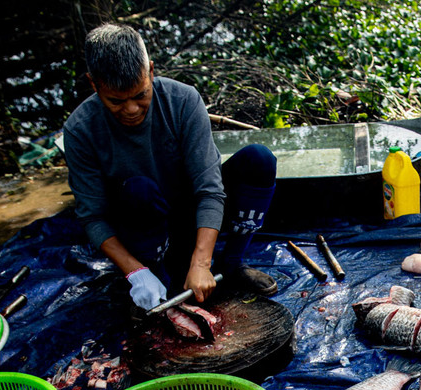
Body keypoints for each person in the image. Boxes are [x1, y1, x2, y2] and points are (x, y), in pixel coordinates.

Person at [63, 23, 278, 310]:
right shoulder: (80, 130)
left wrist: (202, 263)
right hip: (142, 226)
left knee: (259, 160)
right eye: (116, 101)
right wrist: (135, 272)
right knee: (138, 190)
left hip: (192, 216)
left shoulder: (183, 101)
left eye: (140, 95)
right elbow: (93, 218)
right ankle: (157, 277)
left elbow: (210, 190)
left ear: (151, 71)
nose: (131, 110)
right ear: (94, 84)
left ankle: (232, 263)